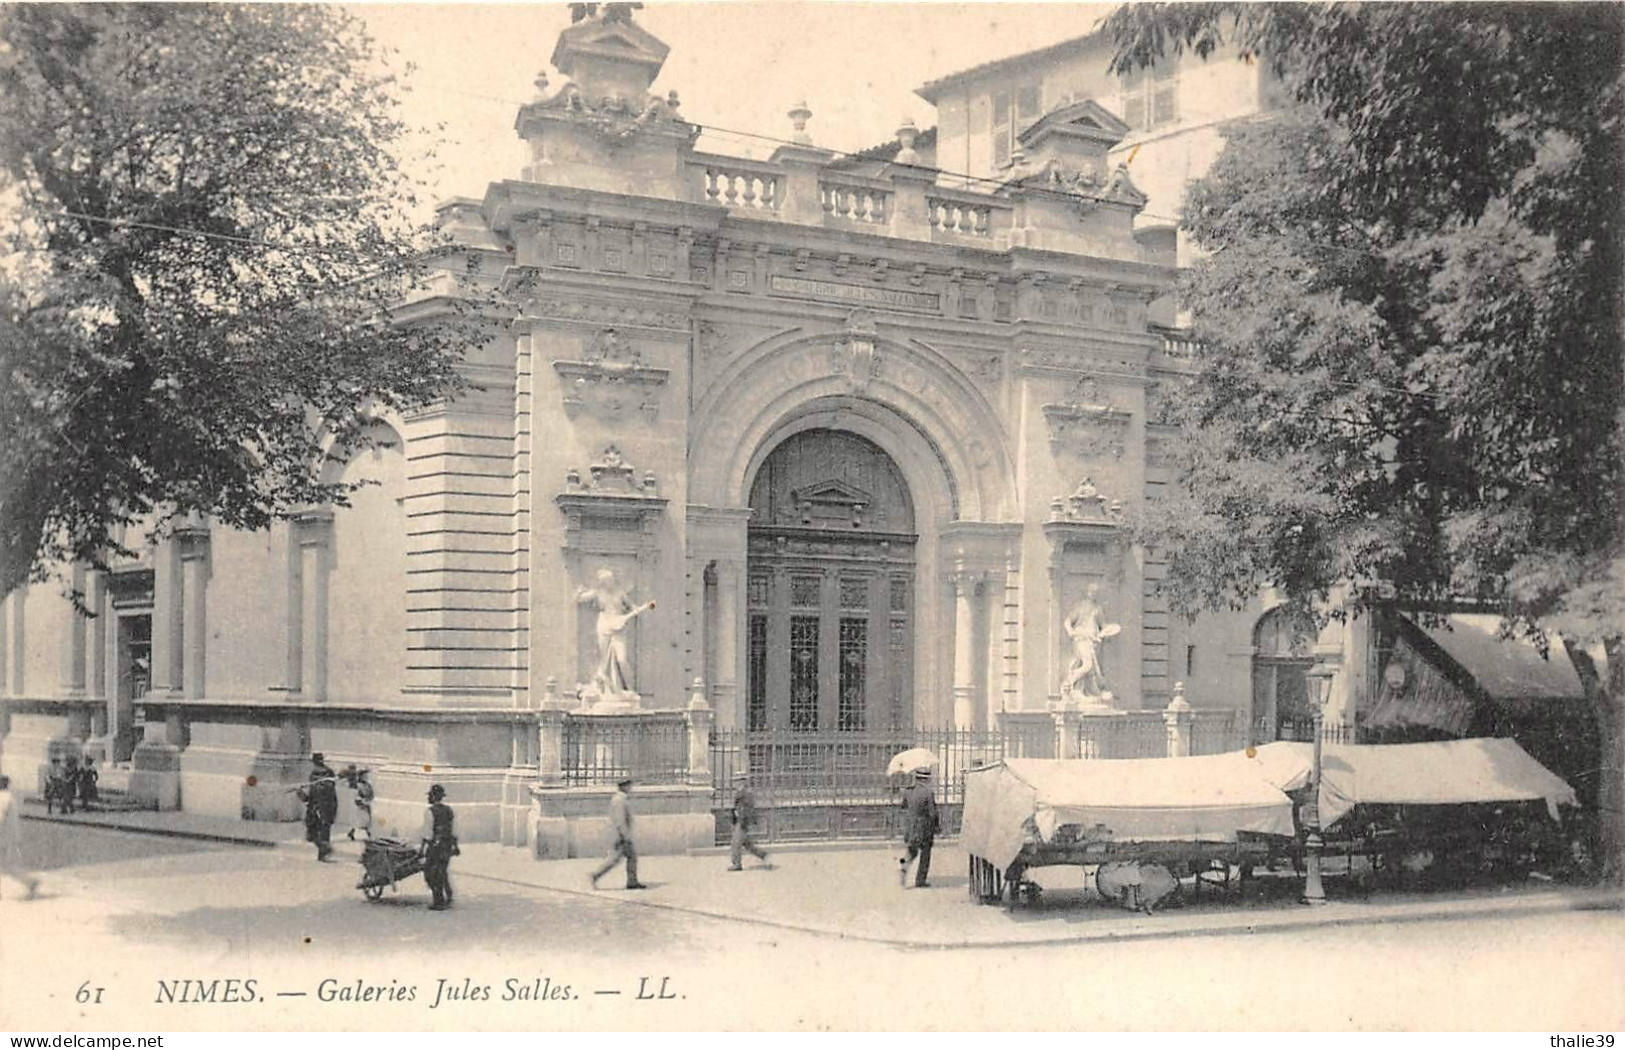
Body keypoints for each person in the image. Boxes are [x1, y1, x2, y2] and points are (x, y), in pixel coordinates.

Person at [574, 569, 654, 698]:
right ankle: (604, 688)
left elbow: (633, 607)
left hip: (619, 627)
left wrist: (645, 608)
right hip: (604, 625)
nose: (610, 582)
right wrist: (579, 591)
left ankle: (630, 689)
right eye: (607, 580)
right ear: (602, 582)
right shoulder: (598, 593)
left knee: (622, 659)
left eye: (611, 579)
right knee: (603, 659)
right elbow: (580, 599)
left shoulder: (620, 594)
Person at [1062, 582, 1120, 700]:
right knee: (1088, 665)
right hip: (1081, 639)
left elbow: (1103, 626)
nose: (1093, 594)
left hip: (1093, 642)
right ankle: (1069, 682)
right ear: (1087, 592)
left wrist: (1106, 633)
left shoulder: (1098, 609)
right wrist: (1070, 632)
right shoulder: (1080, 606)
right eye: (1091, 591)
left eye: (1095, 592)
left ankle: (1087, 692)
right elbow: (1068, 621)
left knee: (1092, 668)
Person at [590, 776, 647, 890]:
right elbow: (620, 819)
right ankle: (596, 875)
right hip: (621, 836)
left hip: (622, 834)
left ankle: (632, 881)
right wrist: (625, 835)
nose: (631, 788)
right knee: (616, 859)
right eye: (629, 785)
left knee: (629, 857)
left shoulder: (621, 798)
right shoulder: (619, 800)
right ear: (624, 786)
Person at [0, 775, 41, 901]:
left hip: (3, 837)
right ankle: (30, 882)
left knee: (9, 866)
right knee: (8, 865)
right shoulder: (9, 797)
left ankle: (30, 882)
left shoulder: (2, 798)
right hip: (10, 836)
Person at [420, 784, 458, 911]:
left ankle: (438, 900)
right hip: (447, 844)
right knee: (442, 869)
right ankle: (448, 894)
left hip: (436, 845)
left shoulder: (430, 812)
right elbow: (452, 829)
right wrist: (454, 845)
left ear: (433, 796)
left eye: (430, 795)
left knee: (430, 872)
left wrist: (422, 849)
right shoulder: (449, 810)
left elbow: (428, 833)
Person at [898, 770, 939, 889]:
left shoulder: (907, 791)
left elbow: (903, 806)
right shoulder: (928, 792)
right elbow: (932, 813)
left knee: (911, 851)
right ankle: (920, 880)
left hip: (910, 826)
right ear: (926, 779)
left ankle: (904, 867)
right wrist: (936, 826)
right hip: (924, 827)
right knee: (925, 853)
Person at [296, 752, 339, 861]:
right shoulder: (316, 774)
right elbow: (313, 794)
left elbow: (327, 791)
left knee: (319, 831)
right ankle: (324, 850)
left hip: (322, 807)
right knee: (315, 833)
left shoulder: (326, 774)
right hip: (318, 807)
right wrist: (302, 795)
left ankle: (323, 852)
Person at [727, 772, 771, 872]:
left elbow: (749, 809)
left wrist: (744, 820)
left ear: (742, 782)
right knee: (747, 844)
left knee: (736, 843)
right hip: (739, 820)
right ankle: (762, 854)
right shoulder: (739, 792)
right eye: (734, 781)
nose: (734, 783)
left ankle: (737, 864)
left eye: (737, 781)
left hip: (743, 821)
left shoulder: (746, 793)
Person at [350, 768, 374, 841]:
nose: (366, 777)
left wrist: (369, 799)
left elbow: (371, 794)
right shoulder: (358, 785)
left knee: (367, 821)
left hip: (366, 804)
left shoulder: (368, 785)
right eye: (364, 776)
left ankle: (368, 833)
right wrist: (360, 800)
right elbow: (356, 795)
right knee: (359, 820)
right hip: (360, 806)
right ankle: (352, 832)